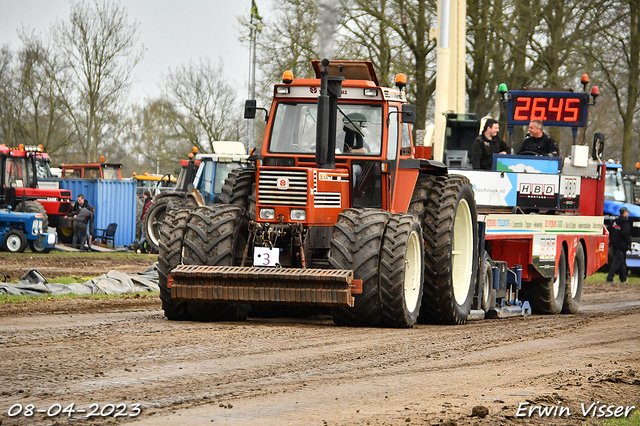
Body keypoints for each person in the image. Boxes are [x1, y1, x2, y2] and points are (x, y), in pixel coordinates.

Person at [606, 207, 631, 284]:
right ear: (624, 213)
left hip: (614, 245)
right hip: (621, 245)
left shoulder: (615, 222)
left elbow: (608, 229)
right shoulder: (625, 223)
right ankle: (609, 278)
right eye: (627, 212)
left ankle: (623, 279)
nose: (628, 214)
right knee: (616, 262)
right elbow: (625, 233)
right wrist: (629, 242)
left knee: (621, 262)